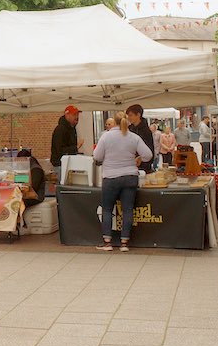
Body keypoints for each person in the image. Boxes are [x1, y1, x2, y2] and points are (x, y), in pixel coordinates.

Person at [93, 110, 152, 252]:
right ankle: (124, 243)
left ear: (114, 122)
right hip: (130, 176)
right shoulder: (133, 137)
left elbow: (97, 156)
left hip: (111, 177)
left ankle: (107, 243)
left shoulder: (106, 137)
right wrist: (138, 158)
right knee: (127, 210)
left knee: (107, 209)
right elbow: (148, 155)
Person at [51, 105, 80, 181]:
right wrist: (75, 148)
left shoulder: (72, 129)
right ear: (67, 115)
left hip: (68, 165)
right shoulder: (60, 130)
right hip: (60, 166)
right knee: (63, 189)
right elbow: (59, 150)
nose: (76, 117)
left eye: (77, 114)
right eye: (74, 115)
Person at [126, 104, 155, 173]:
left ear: (138, 115)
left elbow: (150, 150)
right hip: (130, 166)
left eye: (131, 115)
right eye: (128, 116)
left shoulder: (146, 131)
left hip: (143, 168)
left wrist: (141, 158)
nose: (129, 118)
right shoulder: (129, 129)